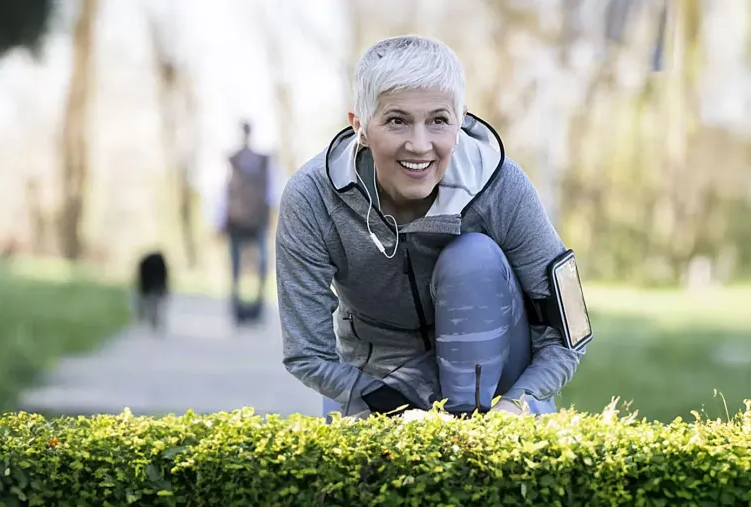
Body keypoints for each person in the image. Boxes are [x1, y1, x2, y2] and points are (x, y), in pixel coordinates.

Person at [274, 35, 589, 419]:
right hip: (376, 380)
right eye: (397, 121)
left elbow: (568, 332)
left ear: (461, 121)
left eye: (438, 121)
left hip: (498, 373)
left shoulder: (502, 185)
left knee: (472, 258)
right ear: (360, 126)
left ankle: (474, 416)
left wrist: (517, 403)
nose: (420, 145)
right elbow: (307, 353)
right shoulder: (312, 198)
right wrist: (394, 410)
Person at [213, 121, 281, 325]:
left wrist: (273, 216)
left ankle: (258, 308)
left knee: (261, 265)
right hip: (236, 220)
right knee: (235, 266)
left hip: (258, 219)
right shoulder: (231, 160)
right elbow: (222, 192)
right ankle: (237, 309)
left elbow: (272, 191)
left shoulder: (264, 161)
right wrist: (219, 219)